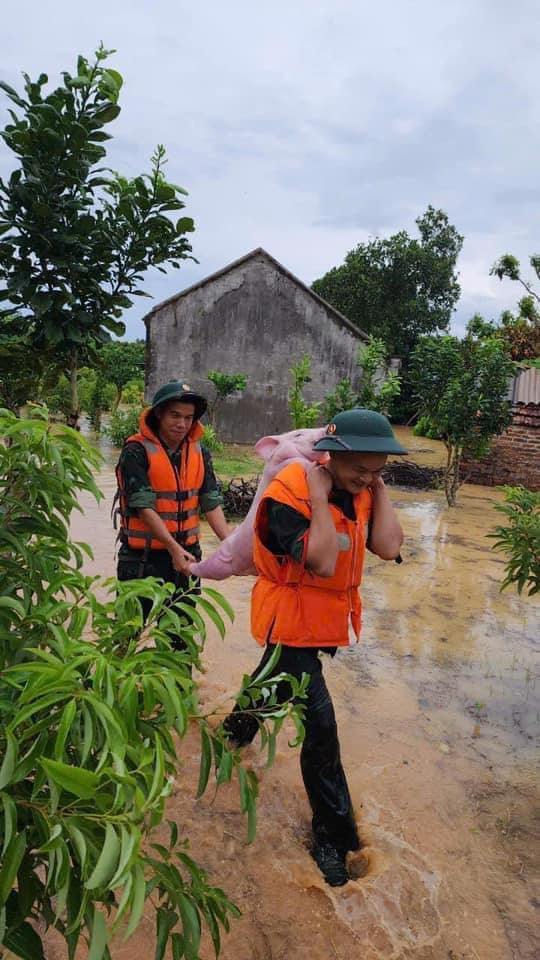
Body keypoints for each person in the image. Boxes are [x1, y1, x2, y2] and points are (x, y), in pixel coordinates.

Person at [223, 408, 407, 886]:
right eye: (360, 469)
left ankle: (231, 735)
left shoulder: (363, 488)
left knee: (272, 685)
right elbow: (323, 562)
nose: (367, 478)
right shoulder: (290, 494)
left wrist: (378, 487)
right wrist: (322, 502)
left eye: (378, 469)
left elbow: (387, 547)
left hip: (321, 624)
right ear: (330, 456)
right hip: (291, 622)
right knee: (321, 731)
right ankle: (334, 837)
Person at [115, 380, 229, 647]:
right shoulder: (136, 451)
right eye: (175, 415)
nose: (182, 424)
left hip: (188, 559)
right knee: (128, 636)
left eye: (188, 418)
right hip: (143, 560)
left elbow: (210, 502)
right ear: (159, 414)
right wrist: (172, 547)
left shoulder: (200, 452)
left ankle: (177, 687)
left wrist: (229, 542)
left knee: (180, 637)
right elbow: (143, 507)